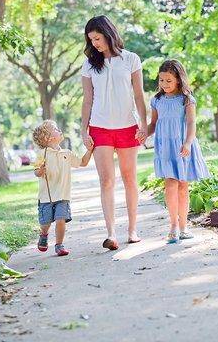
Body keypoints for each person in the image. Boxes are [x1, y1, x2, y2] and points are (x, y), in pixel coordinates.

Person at [81, 15, 147, 250]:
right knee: (106, 181)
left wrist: (145, 125)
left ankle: (132, 230)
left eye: (97, 38)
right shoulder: (89, 64)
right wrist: (83, 130)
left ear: (108, 33)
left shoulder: (131, 59)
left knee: (130, 179)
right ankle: (111, 233)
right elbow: (87, 100)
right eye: (91, 40)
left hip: (128, 127)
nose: (95, 44)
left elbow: (139, 95)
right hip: (100, 128)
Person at [139, 59, 209, 243]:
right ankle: (173, 225)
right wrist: (145, 133)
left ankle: (184, 227)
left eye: (169, 80)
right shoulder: (157, 100)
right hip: (166, 148)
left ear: (178, 79)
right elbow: (154, 124)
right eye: (161, 80)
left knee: (183, 187)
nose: (164, 84)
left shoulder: (187, 99)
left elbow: (191, 123)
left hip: (182, 146)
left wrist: (187, 143)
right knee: (170, 184)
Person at [33, 119, 93, 256]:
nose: (59, 129)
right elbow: (36, 171)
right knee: (46, 222)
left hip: (63, 195)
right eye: (55, 128)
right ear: (48, 138)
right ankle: (44, 234)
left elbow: (82, 162)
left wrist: (89, 151)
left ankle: (59, 245)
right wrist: (40, 171)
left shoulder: (67, 153)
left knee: (61, 220)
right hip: (46, 197)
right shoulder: (41, 154)